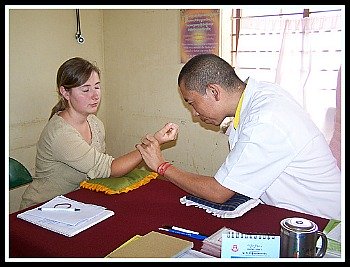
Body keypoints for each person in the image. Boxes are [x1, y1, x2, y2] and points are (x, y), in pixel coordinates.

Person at [136, 53, 341, 220]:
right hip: (289, 212)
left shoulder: (265, 119)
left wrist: (161, 165)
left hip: (321, 221)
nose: (194, 113)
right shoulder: (259, 97)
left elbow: (219, 192)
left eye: (191, 103)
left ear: (214, 92)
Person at [20, 57, 178, 210]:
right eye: (85, 89)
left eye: (97, 86)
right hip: (45, 208)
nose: (95, 95)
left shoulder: (95, 123)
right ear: (65, 92)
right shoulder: (60, 134)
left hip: (78, 202)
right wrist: (153, 142)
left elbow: (98, 174)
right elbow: (110, 169)